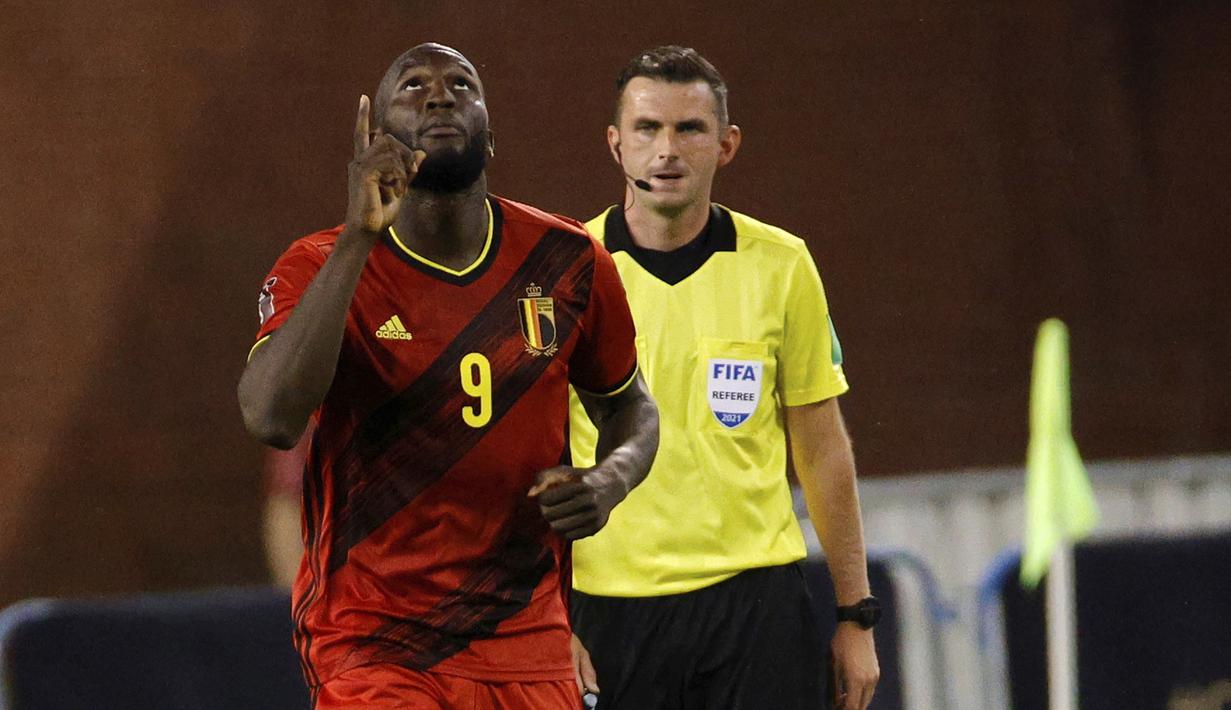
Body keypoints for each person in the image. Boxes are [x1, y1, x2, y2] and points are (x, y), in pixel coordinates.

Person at [237, 43, 659, 710]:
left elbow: (631, 408)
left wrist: (612, 477)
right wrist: (357, 236)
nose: (440, 96)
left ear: (491, 135)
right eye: (413, 87)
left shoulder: (568, 259)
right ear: (375, 141)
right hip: (373, 644)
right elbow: (270, 416)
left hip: (526, 641)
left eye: (462, 85)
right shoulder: (315, 263)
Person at [567, 46, 880, 710]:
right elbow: (530, 458)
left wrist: (855, 615)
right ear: (615, 144)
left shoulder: (782, 264)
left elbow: (821, 449)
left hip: (754, 604)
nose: (666, 150)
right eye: (648, 129)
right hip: (610, 608)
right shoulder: (566, 271)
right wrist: (546, 618)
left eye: (690, 129)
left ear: (726, 144)